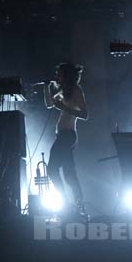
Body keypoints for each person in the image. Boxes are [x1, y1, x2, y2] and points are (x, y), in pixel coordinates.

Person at [44, 62, 88, 214]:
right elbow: (49, 104)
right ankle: (78, 205)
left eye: (60, 74)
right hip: (63, 135)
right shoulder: (63, 91)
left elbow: (85, 114)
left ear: (67, 76)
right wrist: (46, 86)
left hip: (68, 135)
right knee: (69, 173)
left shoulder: (76, 90)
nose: (57, 76)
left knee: (52, 169)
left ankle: (67, 205)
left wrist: (65, 108)